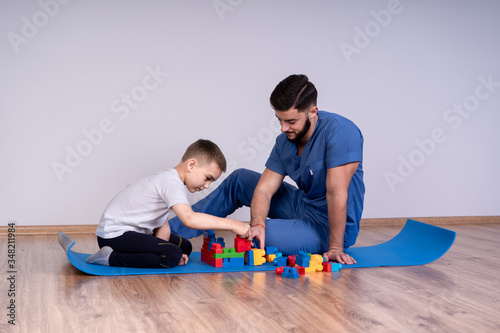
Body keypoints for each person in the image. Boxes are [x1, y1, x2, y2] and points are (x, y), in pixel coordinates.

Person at [169, 74, 365, 265]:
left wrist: (336, 248)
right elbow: (263, 190)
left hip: (328, 225)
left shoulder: (341, 133)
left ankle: (325, 242)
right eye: (279, 120)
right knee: (240, 180)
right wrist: (258, 224)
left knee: (255, 240)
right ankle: (168, 234)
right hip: (302, 205)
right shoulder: (284, 141)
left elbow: (336, 192)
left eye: (291, 121)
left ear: (313, 112)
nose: (283, 128)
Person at [86, 139, 251, 268]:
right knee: (171, 255)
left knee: (184, 247)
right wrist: (232, 224)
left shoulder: (170, 180)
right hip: (115, 236)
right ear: (191, 165)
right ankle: (110, 258)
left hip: (134, 232)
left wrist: (160, 247)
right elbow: (190, 219)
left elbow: (162, 225)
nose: (207, 185)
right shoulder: (170, 182)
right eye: (207, 178)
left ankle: (165, 254)